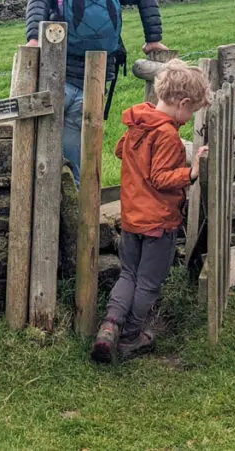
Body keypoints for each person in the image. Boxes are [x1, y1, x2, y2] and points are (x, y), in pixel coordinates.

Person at [91, 59, 212, 363]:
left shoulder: (139, 121)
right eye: (192, 111)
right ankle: (131, 337)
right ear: (182, 103)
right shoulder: (168, 135)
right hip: (158, 222)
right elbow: (160, 179)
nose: (190, 119)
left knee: (128, 274)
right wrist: (191, 171)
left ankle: (109, 328)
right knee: (148, 281)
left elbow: (120, 151)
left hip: (132, 217)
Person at [26, 0, 166, 181]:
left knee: (41, 152)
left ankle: (51, 211)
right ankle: (82, 206)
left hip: (58, 77)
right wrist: (153, 39)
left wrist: (32, 39)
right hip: (96, 80)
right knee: (78, 158)